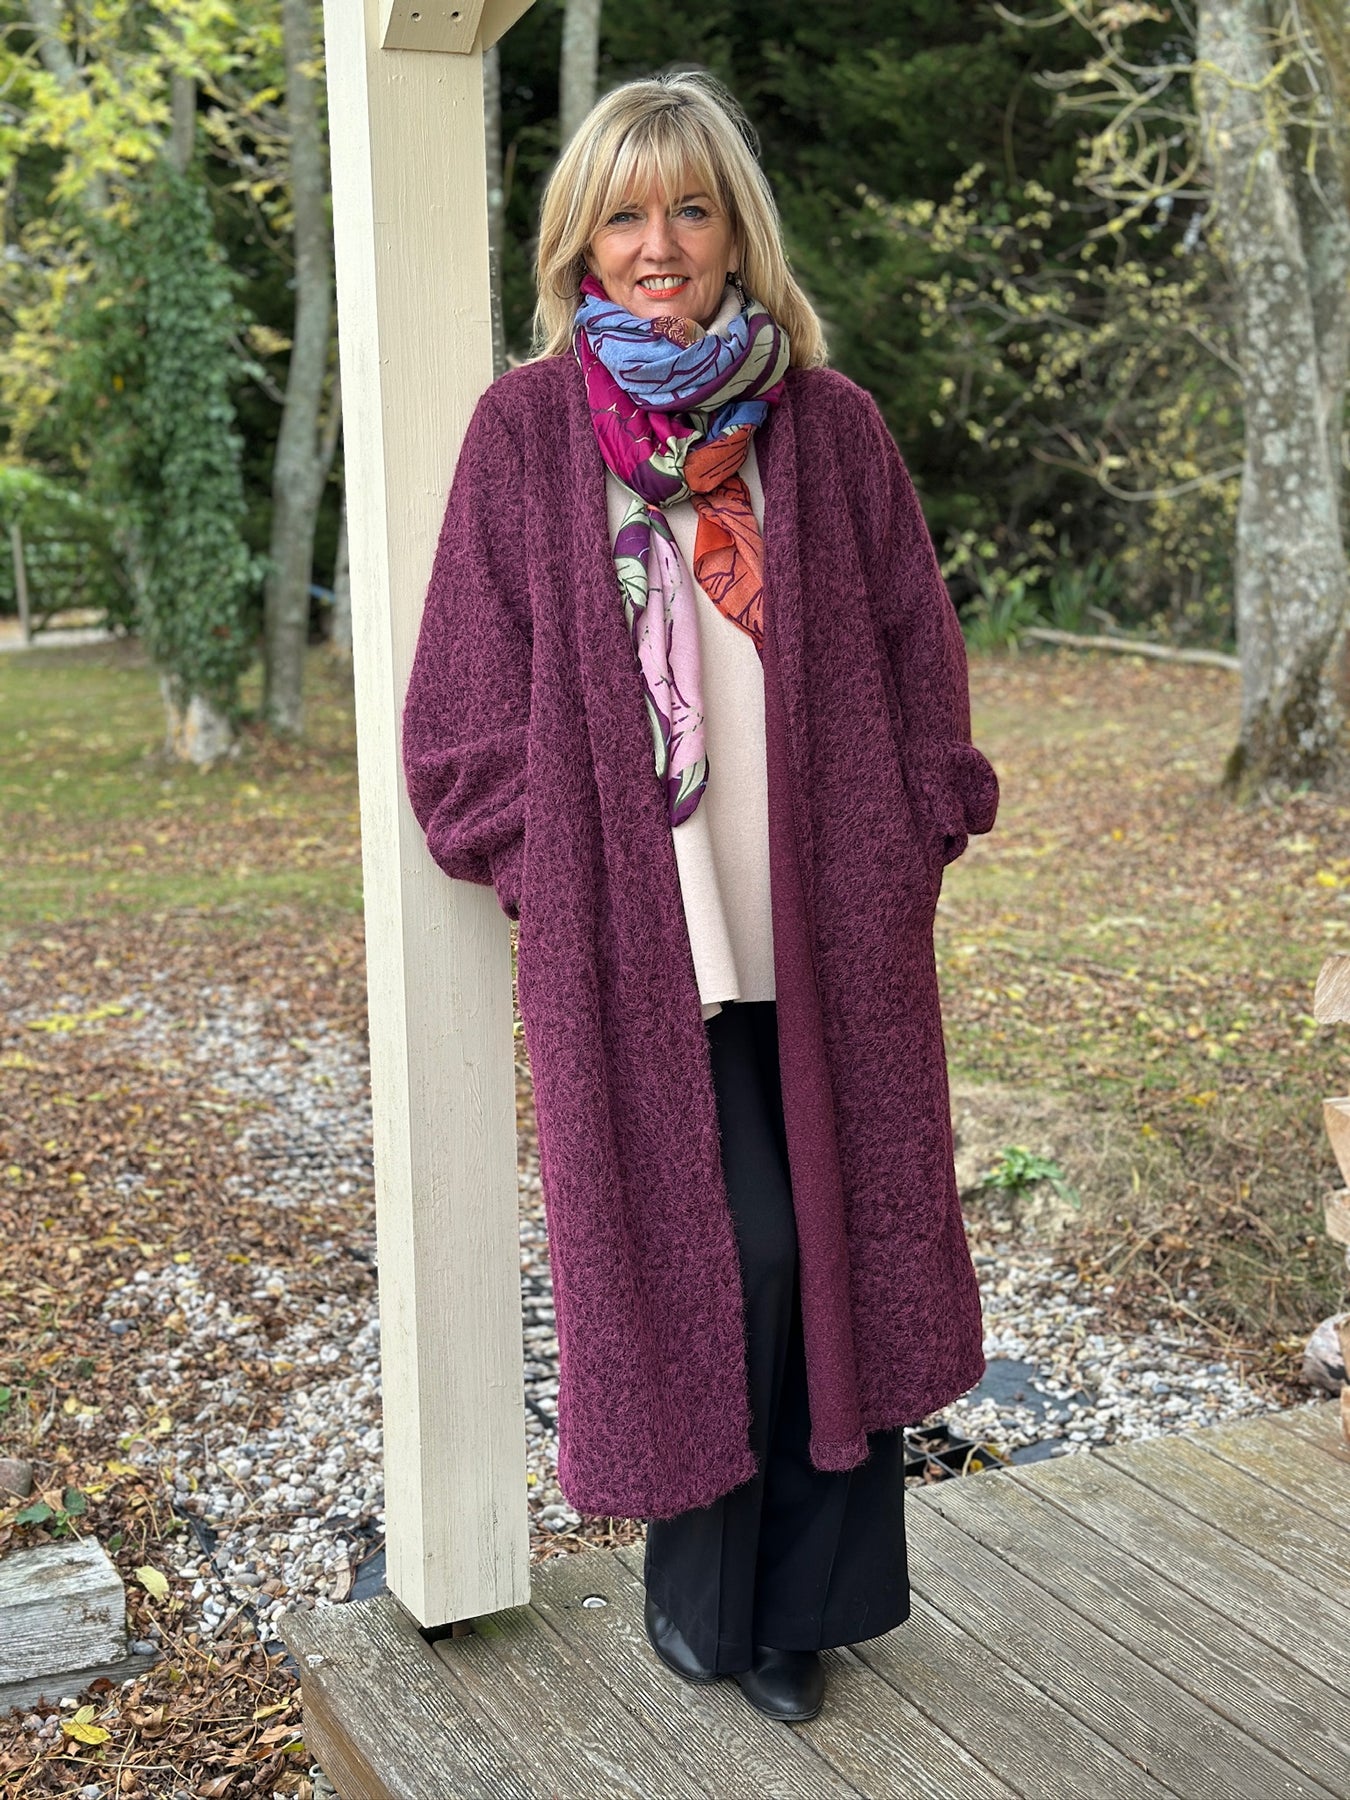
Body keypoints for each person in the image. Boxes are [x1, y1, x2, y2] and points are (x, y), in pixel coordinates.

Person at [401, 70, 999, 1725]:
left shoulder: (829, 427)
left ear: (737, 231)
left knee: (833, 1253)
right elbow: (460, 701)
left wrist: (911, 833)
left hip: (825, 933)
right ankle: (703, 1600)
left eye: (688, 208)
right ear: (577, 243)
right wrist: (545, 863)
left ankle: (806, 1611)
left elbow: (917, 654)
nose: (657, 243)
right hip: (637, 942)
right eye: (623, 214)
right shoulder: (527, 434)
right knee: (727, 1257)